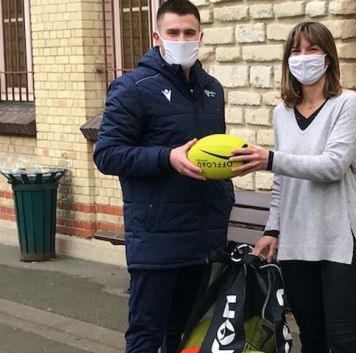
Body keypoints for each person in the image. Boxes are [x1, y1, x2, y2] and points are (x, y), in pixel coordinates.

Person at [93, 1, 234, 352]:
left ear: (200, 36)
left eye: (189, 33)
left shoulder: (212, 89)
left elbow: (213, 155)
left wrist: (234, 165)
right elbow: (107, 154)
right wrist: (167, 158)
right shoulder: (132, 89)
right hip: (157, 240)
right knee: (146, 335)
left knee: (183, 336)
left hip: (202, 239)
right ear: (157, 37)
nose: (182, 39)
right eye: (174, 33)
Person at [229, 22, 356, 353]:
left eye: (312, 49)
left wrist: (269, 159)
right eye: (295, 50)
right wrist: (273, 229)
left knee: (342, 340)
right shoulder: (282, 112)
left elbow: (333, 165)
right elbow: (283, 180)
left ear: (328, 57)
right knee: (310, 338)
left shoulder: (348, 104)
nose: (303, 57)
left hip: (340, 239)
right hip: (296, 240)